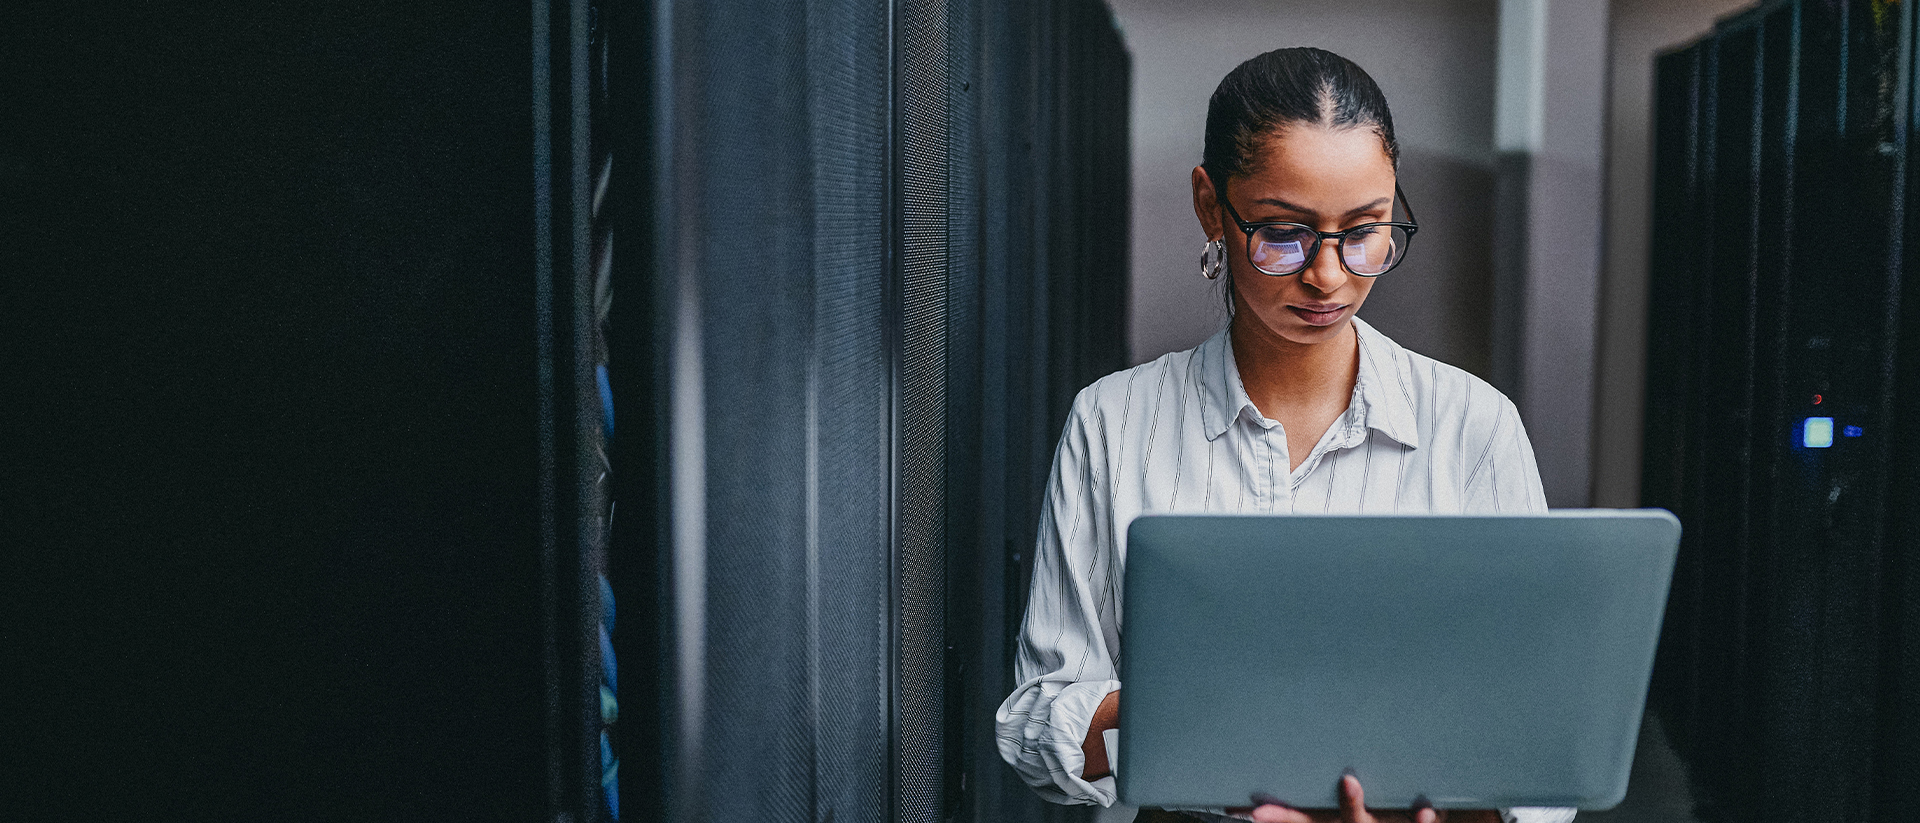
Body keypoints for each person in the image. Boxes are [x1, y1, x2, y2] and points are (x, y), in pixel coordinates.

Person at [992, 47, 1577, 823]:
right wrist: (1192, 707)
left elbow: (1540, 743)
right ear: (1211, 206)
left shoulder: (1473, 426)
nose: (1329, 275)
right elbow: (1038, 723)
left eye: (1366, 230)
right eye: (1284, 232)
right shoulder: (1114, 421)